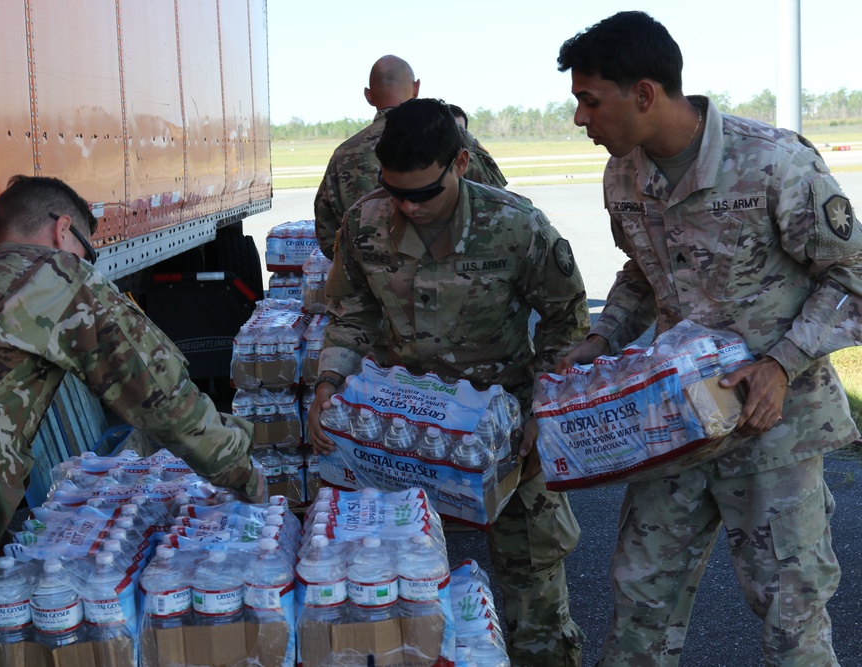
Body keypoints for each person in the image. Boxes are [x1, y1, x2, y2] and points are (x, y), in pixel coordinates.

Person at [555, 11, 861, 666]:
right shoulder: (624, 176)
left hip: (772, 430)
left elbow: (852, 277)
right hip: (672, 424)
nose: (580, 118)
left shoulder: (774, 163)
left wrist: (782, 362)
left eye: (589, 100)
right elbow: (643, 271)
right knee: (639, 603)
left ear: (644, 94)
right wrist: (603, 336)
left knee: (792, 619)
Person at [0, 176, 266, 666]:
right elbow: (163, 398)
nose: (86, 263)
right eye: (87, 251)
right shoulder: (57, 276)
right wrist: (243, 474)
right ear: (62, 230)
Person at [307, 98, 590, 666]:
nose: (408, 208)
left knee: (533, 578)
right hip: (402, 434)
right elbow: (351, 313)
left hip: (503, 431)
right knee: (391, 586)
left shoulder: (515, 226)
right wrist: (328, 383)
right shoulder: (365, 222)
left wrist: (543, 412)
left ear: (460, 164)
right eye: (396, 193)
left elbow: (566, 323)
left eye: (423, 193)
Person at [313, 55, 507, 259]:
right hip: (460, 275)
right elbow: (497, 205)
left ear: (368, 96)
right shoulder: (455, 138)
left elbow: (327, 237)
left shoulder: (343, 154)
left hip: (375, 279)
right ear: (416, 88)